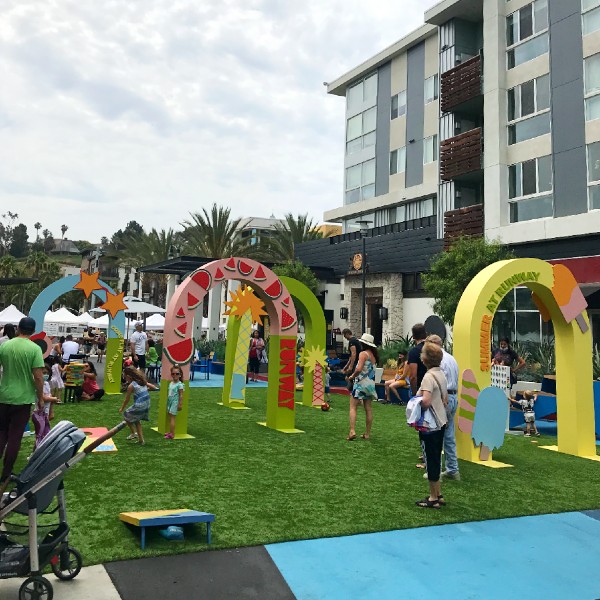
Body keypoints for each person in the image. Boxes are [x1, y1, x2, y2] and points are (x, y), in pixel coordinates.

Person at [0, 317, 45, 494]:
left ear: (18, 328)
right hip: (23, 398)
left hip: (4, 395)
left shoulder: (5, 346)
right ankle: (6, 473)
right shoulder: (34, 349)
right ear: (33, 331)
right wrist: (41, 398)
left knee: (1, 433)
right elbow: (38, 377)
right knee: (15, 437)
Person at [415, 342, 449, 509]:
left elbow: (426, 401)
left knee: (430, 459)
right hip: (441, 421)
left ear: (425, 358)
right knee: (436, 457)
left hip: (430, 424)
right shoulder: (440, 374)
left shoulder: (428, 377)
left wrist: (416, 404)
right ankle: (438, 493)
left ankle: (433, 496)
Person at [426, 335, 460, 481]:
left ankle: (436, 471)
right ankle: (452, 469)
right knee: (449, 435)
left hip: (443, 398)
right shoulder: (451, 358)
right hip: (453, 397)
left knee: (436, 435)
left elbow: (439, 381)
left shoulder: (440, 361)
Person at [346, 333, 379, 441]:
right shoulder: (374, 356)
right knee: (368, 409)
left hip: (360, 384)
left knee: (353, 407)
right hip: (370, 385)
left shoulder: (363, 354)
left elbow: (359, 369)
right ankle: (367, 433)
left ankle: (352, 431)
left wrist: (352, 376)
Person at [119, 366, 158, 446]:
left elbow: (127, 399)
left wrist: (122, 408)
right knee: (137, 420)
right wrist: (148, 390)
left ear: (129, 376)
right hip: (147, 403)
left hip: (140, 404)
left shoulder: (131, 386)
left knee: (126, 414)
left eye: (125, 377)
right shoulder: (142, 381)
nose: (125, 379)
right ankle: (141, 440)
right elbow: (154, 387)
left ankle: (133, 433)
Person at [408, 323, 428, 397]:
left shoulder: (414, 352)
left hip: (421, 387)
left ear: (413, 336)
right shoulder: (433, 349)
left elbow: (413, 376)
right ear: (426, 334)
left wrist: (414, 393)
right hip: (434, 386)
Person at [165, 365, 184, 439]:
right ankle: (171, 431)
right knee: (170, 416)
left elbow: (181, 395)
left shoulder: (180, 385)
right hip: (170, 401)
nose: (175, 375)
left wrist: (180, 404)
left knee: (172, 417)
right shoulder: (171, 383)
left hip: (175, 402)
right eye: (173, 374)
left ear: (180, 375)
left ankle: (172, 434)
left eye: (177, 374)